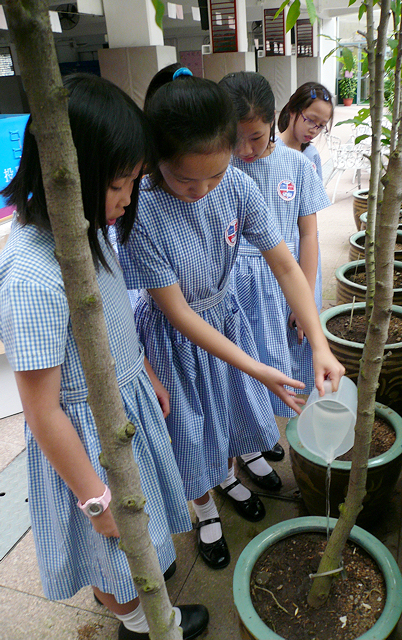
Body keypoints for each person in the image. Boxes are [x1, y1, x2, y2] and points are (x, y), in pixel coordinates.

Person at [0, 73, 208, 640]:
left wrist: (141, 368)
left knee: (138, 539)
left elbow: (108, 318)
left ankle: (143, 600)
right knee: (114, 553)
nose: (127, 200)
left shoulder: (85, 229)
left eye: (133, 184)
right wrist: (95, 499)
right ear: (71, 173)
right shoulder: (33, 274)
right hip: (88, 440)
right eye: (118, 185)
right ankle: (142, 622)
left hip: (127, 405)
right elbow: (42, 412)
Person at [117, 66, 345, 572]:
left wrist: (320, 343)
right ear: (156, 161)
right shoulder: (144, 211)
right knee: (191, 429)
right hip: (177, 342)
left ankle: (227, 476)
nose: (202, 190)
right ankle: (204, 510)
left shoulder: (237, 187)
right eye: (184, 177)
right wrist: (260, 369)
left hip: (226, 321)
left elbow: (285, 262)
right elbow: (175, 311)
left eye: (215, 174)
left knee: (224, 414)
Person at [219, 72, 332, 422]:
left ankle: (268, 432)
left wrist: (307, 296)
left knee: (285, 358)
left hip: (286, 279)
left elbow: (309, 235)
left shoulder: (297, 165)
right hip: (234, 281)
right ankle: (250, 445)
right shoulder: (220, 166)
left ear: (272, 120)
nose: (245, 150)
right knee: (241, 366)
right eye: (235, 139)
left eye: (255, 137)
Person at [277, 81, 334, 183]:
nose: (314, 130)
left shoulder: (312, 154)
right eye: (311, 120)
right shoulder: (270, 150)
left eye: (321, 126)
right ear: (292, 111)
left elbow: (318, 195)